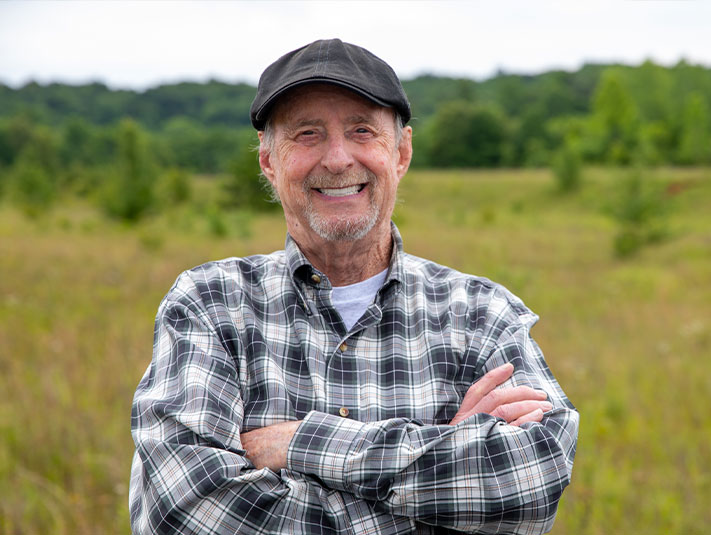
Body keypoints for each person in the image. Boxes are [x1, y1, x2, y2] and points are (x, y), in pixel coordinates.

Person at [130, 38, 578, 534]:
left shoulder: (482, 313)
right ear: (269, 161)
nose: (338, 159)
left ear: (401, 152)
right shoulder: (209, 304)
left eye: (362, 130)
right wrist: (441, 461)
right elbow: (187, 509)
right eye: (307, 134)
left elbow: (535, 478)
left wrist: (299, 443)